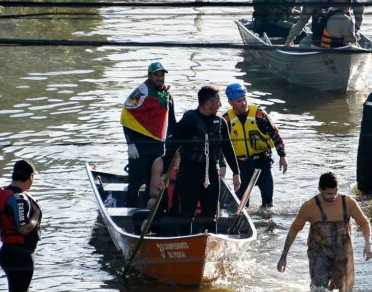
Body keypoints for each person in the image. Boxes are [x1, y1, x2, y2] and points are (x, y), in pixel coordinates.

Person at [161, 86, 241, 234]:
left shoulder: (221, 122)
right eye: (218, 101)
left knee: (210, 217)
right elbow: (172, 147)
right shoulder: (188, 120)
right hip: (189, 173)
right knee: (187, 215)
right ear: (208, 103)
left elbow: (228, 148)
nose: (221, 105)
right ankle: (185, 243)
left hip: (211, 173)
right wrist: (165, 173)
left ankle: (211, 244)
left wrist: (236, 172)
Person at [277, 172, 372, 292]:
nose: (332, 196)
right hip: (319, 254)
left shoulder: (348, 203)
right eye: (328, 193)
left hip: (342, 254)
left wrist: (368, 243)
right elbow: (294, 229)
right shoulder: (309, 206)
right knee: (319, 291)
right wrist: (284, 256)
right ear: (320, 190)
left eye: (335, 192)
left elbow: (364, 223)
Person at [0, 160, 41, 292]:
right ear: (30, 177)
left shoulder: (3, 193)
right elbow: (23, 229)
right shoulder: (19, 199)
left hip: (8, 252)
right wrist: (35, 215)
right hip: (20, 255)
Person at [222, 83, 287, 208]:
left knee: (268, 205)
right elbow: (220, 146)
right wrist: (222, 165)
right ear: (230, 102)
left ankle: (267, 224)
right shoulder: (226, 120)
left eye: (244, 99)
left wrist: (282, 156)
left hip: (263, 163)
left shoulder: (259, 115)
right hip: (242, 166)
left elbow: (275, 134)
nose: (243, 103)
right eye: (239, 101)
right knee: (241, 205)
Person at [121, 61, 176, 207]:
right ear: (149, 75)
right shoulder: (141, 91)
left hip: (158, 145)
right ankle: (129, 212)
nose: (160, 78)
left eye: (162, 75)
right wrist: (130, 143)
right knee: (135, 181)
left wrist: (175, 144)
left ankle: (146, 213)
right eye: (156, 75)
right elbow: (127, 115)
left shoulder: (167, 96)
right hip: (140, 146)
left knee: (152, 182)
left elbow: (172, 124)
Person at [285, 0, 364, 47]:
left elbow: (359, 6)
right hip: (320, 35)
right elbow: (302, 20)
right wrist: (289, 39)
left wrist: (357, 27)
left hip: (342, 32)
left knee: (354, 40)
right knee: (303, 45)